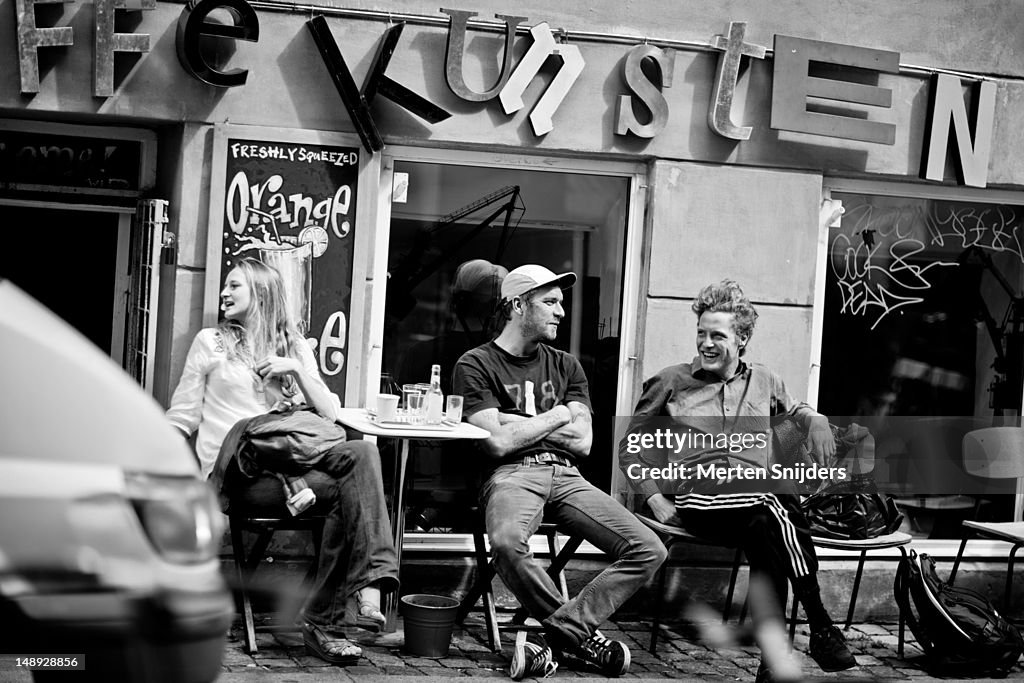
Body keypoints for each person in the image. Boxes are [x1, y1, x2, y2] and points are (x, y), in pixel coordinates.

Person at [618, 279, 857, 683]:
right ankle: (819, 624)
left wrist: (813, 419)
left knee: (768, 531)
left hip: (757, 504)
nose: (705, 344)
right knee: (774, 501)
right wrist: (655, 498)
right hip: (701, 500)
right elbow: (630, 448)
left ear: (742, 338)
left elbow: (795, 408)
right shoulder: (671, 382)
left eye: (717, 335)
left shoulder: (764, 379)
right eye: (701, 334)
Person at [165, 257, 398, 666]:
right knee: (349, 493)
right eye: (226, 286)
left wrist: (295, 369)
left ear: (261, 292)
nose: (224, 293)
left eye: (234, 286)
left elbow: (328, 413)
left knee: (363, 452)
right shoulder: (210, 343)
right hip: (240, 475)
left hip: (295, 469)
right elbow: (183, 415)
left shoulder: (294, 346)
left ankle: (356, 594)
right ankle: (342, 608)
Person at [453, 264, 667, 680]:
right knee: (506, 542)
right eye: (550, 302)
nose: (561, 312)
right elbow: (495, 443)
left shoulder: (568, 366)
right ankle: (584, 640)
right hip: (511, 475)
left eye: (561, 303)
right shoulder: (475, 364)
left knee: (650, 548)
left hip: (568, 476)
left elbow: (584, 443)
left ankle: (560, 637)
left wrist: (519, 425)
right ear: (517, 305)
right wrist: (557, 415)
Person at [396, 259, 508, 531]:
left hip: (430, 479)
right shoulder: (501, 362)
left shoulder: (419, 355)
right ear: (496, 310)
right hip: (483, 480)